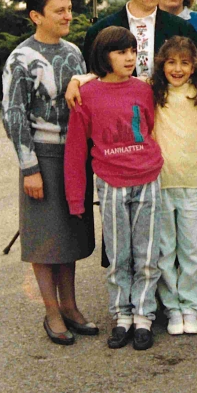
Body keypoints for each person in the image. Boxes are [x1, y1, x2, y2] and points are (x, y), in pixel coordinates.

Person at [1, 0, 95, 345]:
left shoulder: (74, 52)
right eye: (59, 10)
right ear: (36, 16)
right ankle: (51, 311)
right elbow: (13, 115)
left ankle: (70, 306)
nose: (68, 15)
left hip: (74, 155)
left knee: (69, 234)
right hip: (41, 156)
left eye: (69, 8)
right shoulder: (21, 58)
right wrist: (30, 169)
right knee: (44, 238)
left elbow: (88, 93)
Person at [65, 26, 165, 352]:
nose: (129, 57)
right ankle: (122, 315)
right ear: (103, 56)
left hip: (147, 177)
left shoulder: (144, 89)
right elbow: (76, 149)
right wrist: (76, 199)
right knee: (119, 255)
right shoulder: (86, 94)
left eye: (133, 51)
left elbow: (151, 127)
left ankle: (144, 316)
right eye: (121, 52)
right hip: (111, 182)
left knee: (147, 254)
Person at [148, 36, 197, 338]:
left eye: (185, 62)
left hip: (192, 181)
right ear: (161, 65)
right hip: (161, 182)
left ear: (194, 66)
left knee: (192, 249)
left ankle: (191, 307)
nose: (177, 68)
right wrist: (78, 80)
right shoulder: (152, 91)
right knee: (165, 250)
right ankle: (172, 306)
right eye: (171, 62)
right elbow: (110, 78)